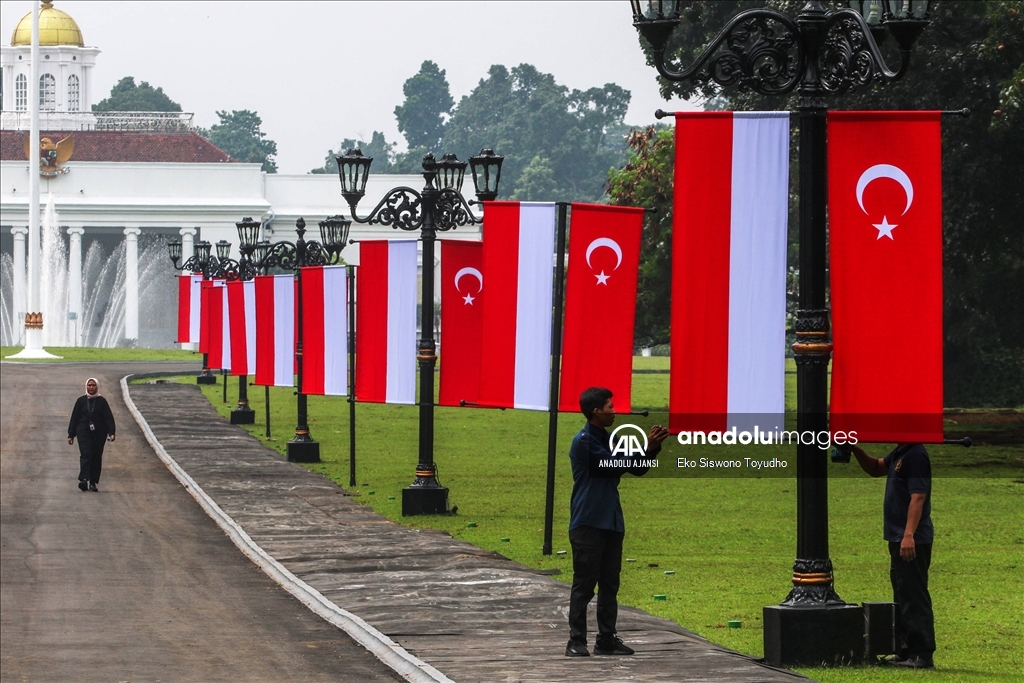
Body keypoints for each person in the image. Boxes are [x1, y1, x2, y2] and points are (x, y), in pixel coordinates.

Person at [565, 387, 668, 657]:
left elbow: (637, 467)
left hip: (611, 521)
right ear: (596, 411)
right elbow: (612, 465)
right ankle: (575, 641)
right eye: (610, 407)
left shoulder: (609, 439)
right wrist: (644, 447)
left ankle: (606, 639)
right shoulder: (584, 441)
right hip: (588, 521)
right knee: (585, 584)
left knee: (610, 584)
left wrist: (652, 449)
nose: (614, 411)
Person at [849, 442, 935, 669]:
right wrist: (856, 450)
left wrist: (909, 535)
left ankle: (922, 653)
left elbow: (918, 497)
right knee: (902, 592)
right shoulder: (901, 451)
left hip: (911, 539)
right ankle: (905, 650)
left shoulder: (916, 455)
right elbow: (876, 468)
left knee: (913, 594)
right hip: (898, 537)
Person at [68, 377, 116, 492]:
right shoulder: (81, 401)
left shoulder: (102, 401)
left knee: (96, 456)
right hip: (83, 431)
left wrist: (112, 432)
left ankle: (93, 482)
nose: (91, 387)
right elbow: (74, 418)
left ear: (97, 387)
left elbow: (108, 417)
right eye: (89, 385)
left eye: (93, 385)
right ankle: (84, 479)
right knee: (86, 454)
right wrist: (71, 434)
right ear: (86, 386)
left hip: (99, 433)